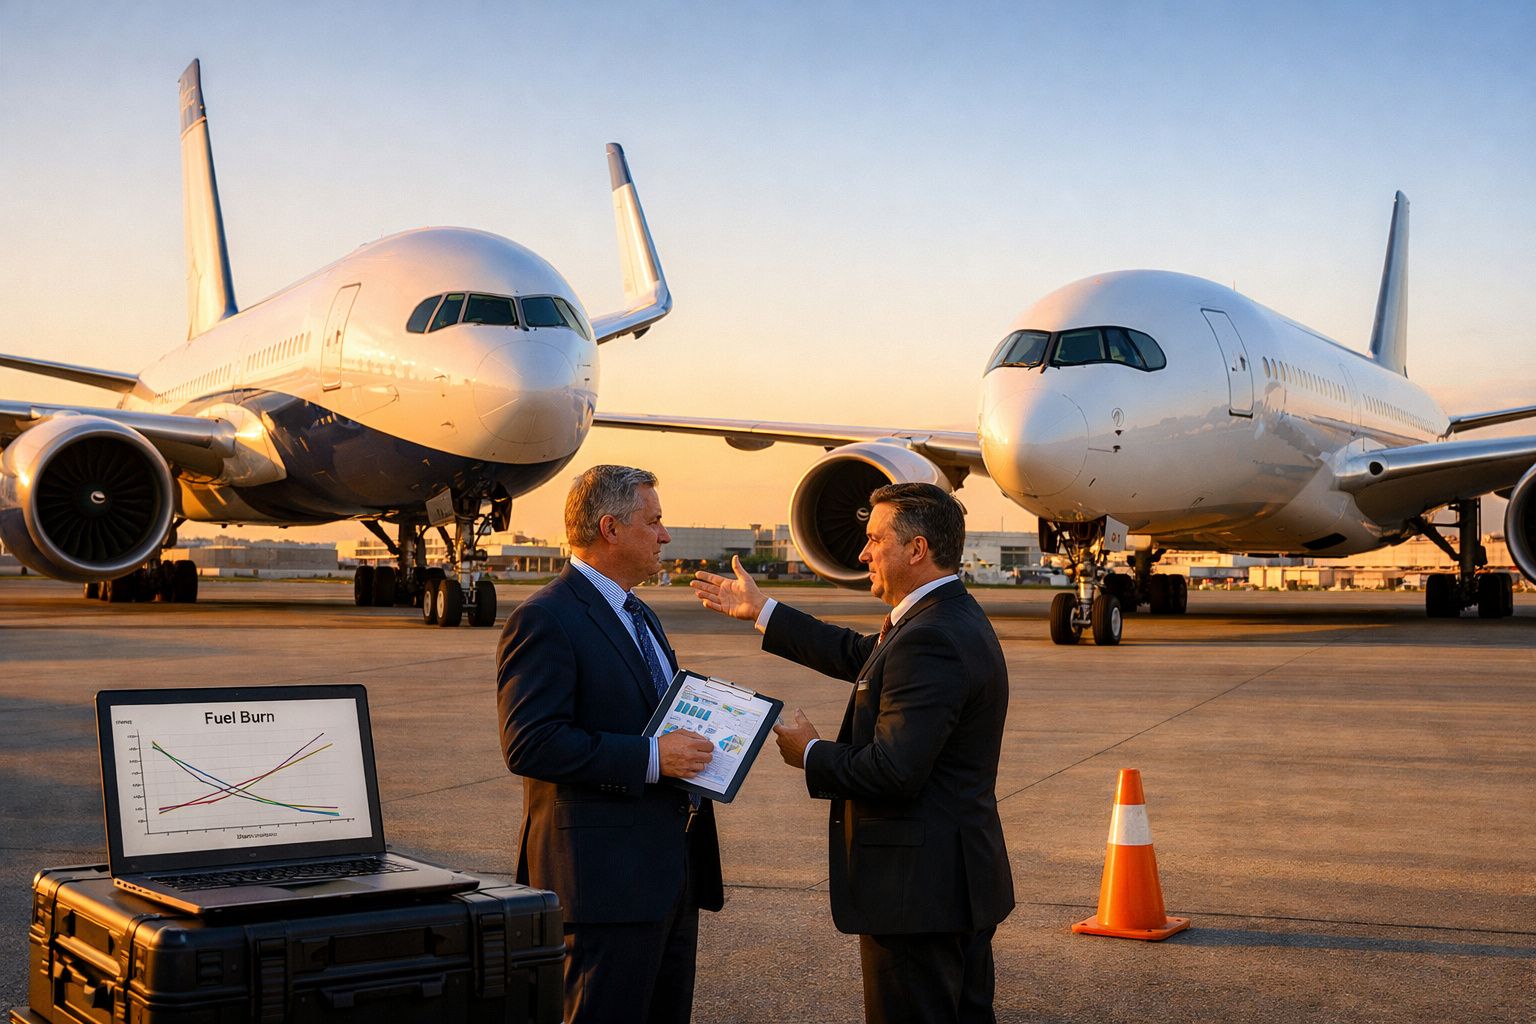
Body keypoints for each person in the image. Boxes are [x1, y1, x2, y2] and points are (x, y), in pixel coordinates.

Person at [692, 482, 1014, 1024]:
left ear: (917, 549)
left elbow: (894, 771)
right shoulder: (946, 616)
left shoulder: (928, 637)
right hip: (952, 884)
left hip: (919, 896)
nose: (862, 553)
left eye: (874, 539)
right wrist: (762, 611)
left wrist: (811, 752)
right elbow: (859, 654)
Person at [498, 465, 722, 1024]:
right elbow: (530, 742)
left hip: (665, 875)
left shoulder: (636, 611)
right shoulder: (546, 617)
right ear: (611, 528)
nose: (666, 535)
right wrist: (653, 758)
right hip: (601, 886)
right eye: (655, 521)